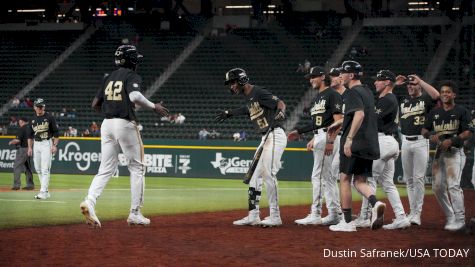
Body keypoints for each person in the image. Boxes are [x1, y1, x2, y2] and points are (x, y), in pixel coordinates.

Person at [80, 45, 169, 228]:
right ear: (132, 60)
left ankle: (89, 201)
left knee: (105, 169)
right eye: (136, 59)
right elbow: (135, 96)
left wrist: (110, 110)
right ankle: (135, 213)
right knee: (137, 168)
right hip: (124, 123)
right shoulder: (132, 75)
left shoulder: (109, 77)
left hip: (107, 124)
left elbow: (95, 104)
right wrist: (154, 107)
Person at [216, 67, 287, 227]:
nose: (231, 86)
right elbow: (247, 109)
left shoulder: (258, 92)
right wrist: (229, 113)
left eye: (233, 82)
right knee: (255, 175)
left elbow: (280, 103)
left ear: (241, 80)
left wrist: (281, 112)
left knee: (269, 173)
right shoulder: (249, 98)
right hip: (265, 138)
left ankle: (275, 216)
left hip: (275, 134)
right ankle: (253, 215)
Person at [327, 60, 385, 232]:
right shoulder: (367, 91)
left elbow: (359, 114)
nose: (340, 76)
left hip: (355, 143)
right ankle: (376, 202)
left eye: (343, 73)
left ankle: (347, 222)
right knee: (359, 181)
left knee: (344, 179)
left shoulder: (351, 92)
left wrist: (350, 138)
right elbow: (358, 114)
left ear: (351, 75)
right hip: (369, 142)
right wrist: (339, 124)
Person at [354, 70, 410, 230]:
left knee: (368, 180)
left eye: (378, 80)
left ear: (386, 83)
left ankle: (365, 217)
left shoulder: (387, 99)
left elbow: (372, 119)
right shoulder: (389, 98)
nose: (375, 82)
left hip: (382, 141)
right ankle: (401, 217)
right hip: (390, 142)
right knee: (387, 183)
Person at [287, 66, 343, 226]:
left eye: (313, 77)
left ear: (322, 77)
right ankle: (334, 213)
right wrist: (300, 131)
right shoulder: (319, 97)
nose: (311, 80)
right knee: (328, 179)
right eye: (310, 77)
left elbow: (339, 120)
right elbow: (317, 122)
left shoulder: (332, 94)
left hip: (328, 136)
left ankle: (315, 213)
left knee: (318, 176)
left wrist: (330, 141)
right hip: (321, 135)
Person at [421, 81, 472, 231]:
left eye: (448, 92)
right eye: (443, 92)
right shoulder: (434, 112)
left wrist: (452, 140)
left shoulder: (461, 111)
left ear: (454, 95)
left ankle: (460, 219)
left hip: (455, 152)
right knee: (437, 188)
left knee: (454, 185)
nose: (444, 94)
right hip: (439, 153)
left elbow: (468, 131)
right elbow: (424, 130)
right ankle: (451, 216)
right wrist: (430, 135)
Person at [396, 73, 439, 226]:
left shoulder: (425, 100)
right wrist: (396, 84)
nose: (410, 86)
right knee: (409, 180)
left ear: (419, 86)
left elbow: (436, 95)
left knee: (418, 178)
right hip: (405, 142)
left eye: (413, 84)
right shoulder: (403, 100)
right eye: (408, 85)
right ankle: (412, 211)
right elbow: (385, 96)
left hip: (421, 142)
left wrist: (420, 80)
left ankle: (417, 214)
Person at [27, 98, 59, 199]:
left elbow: (56, 132)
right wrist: (29, 147)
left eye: (42, 106)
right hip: (36, 144)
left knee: (45, 169)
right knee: (38, 169)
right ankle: (45, 191)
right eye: (38, 106)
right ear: (34, 107)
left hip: (46, 143)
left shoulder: (49, 117)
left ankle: (43, 191)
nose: (40, 108)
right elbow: (30, 135)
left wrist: (54, 145)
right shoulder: (32, 120)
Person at [8, 117, 34, 190]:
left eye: (20, 121)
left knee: (17, 166)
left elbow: (17, 140)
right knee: (28, 167)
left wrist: (11, 142)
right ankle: (30, 185)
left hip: (23, 149)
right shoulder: (30, 128)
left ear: (22, 121)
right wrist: (30, 148)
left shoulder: (22, 128)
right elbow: (32, 139)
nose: (19, 122)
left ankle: (16, 185)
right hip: (29, 149)